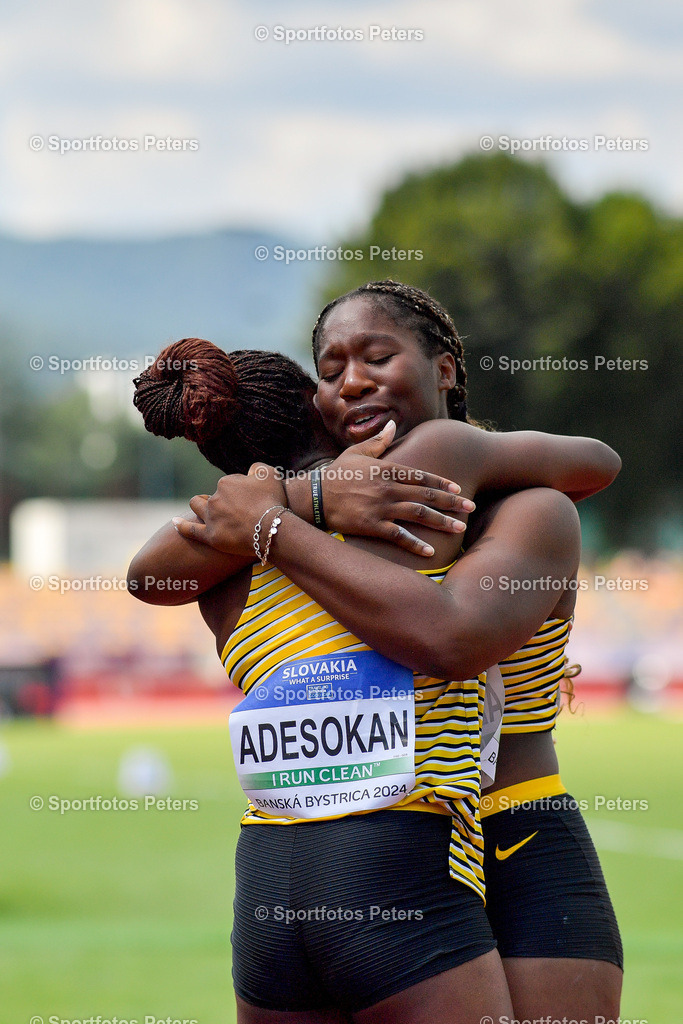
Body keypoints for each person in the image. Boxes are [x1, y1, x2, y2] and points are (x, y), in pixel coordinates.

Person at [129, 330, 617, 1021]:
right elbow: (448, 636)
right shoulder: (397, 500)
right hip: (438, 840)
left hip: (288, 863)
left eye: (376, 359)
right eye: (332, 371)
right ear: (315, 403)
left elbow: (146, 575)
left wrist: (289, 504)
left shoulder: (231, 556)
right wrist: (307, 500)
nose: (354, 383)